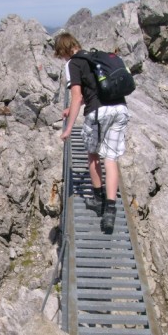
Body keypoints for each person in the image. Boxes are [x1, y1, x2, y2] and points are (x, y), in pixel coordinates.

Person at [54, 32, 129, 233]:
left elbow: (77, 97)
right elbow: (96, 88)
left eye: (60, 54)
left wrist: (68, 128)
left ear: (64, 50)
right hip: (120, 109)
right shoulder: (95, 57)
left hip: (98, 114)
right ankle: (110, 209)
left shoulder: (73, 64)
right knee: (111, 159)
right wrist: (73, 108)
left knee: (93, 154)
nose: (62, 58)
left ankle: (97, 199)